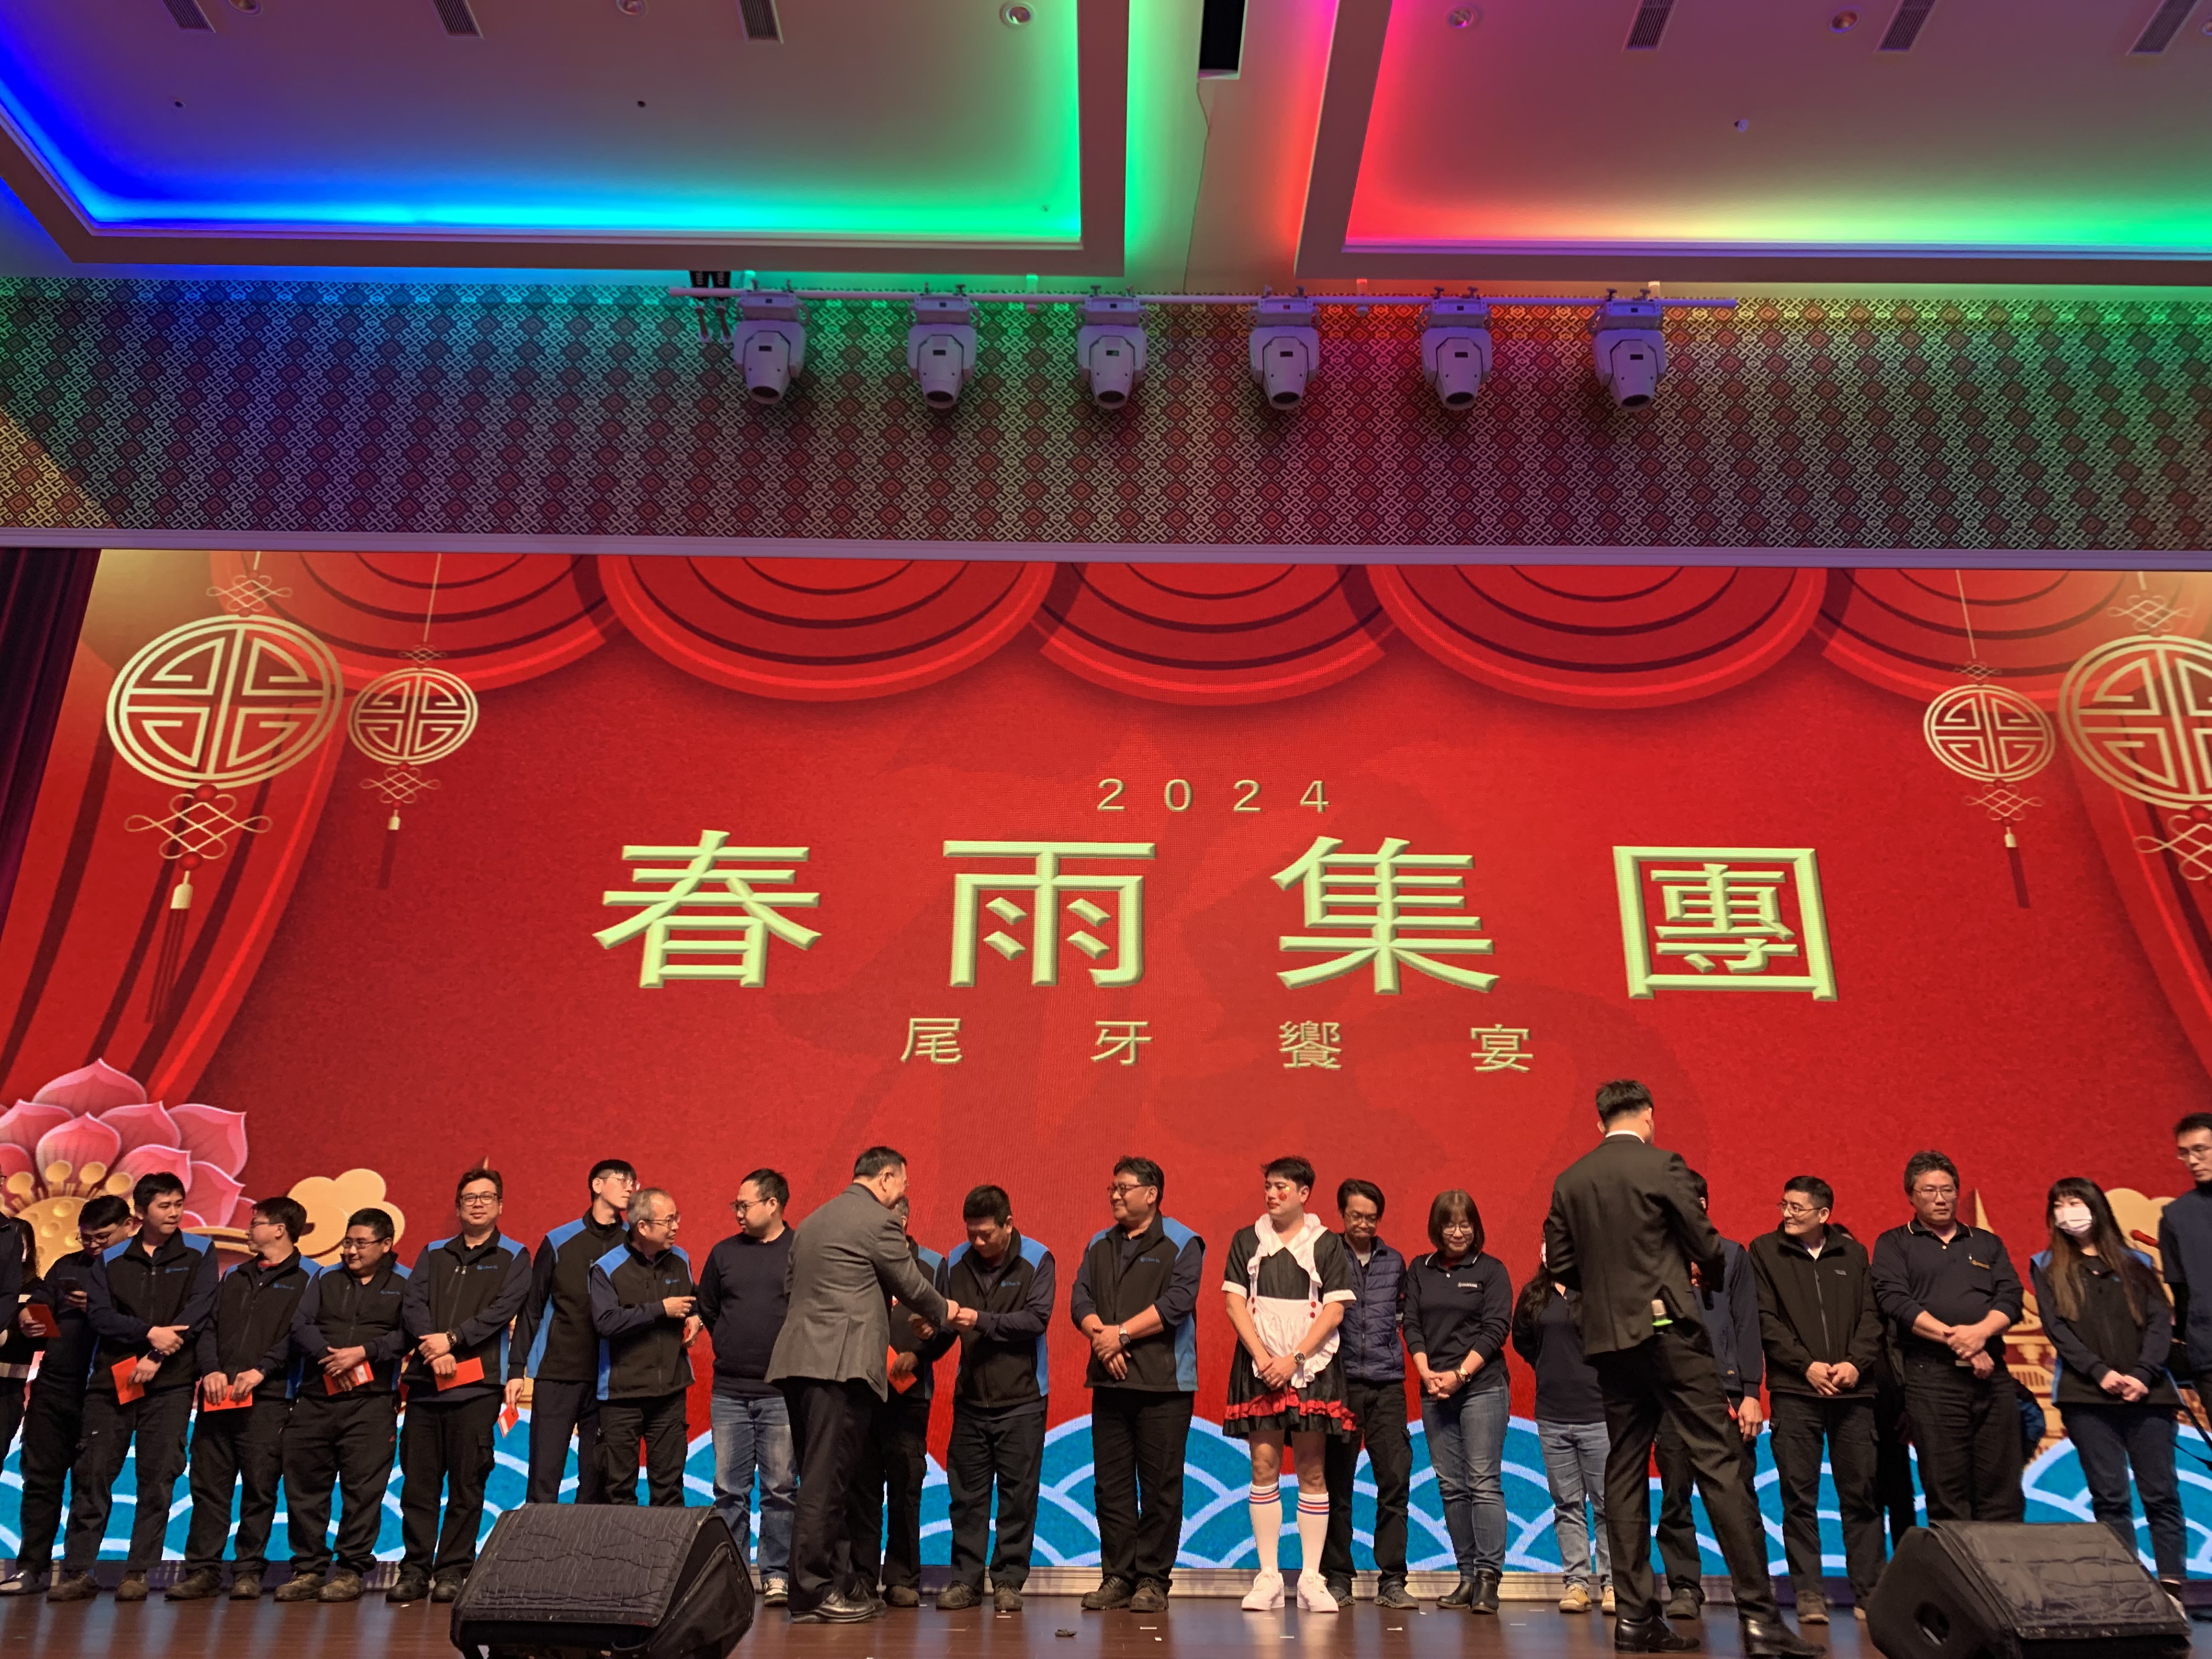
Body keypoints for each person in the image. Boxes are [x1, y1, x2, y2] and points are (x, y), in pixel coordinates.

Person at [1543, 1080, 1820, 1658]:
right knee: (1719, 1462)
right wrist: (1704, 1277)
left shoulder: (1570, 1180)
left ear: (1599, 1122)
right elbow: (1707, 1244)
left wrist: (1603, 1298)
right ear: (1649, 1114)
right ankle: (1760, 1620)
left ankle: (1634, 1620)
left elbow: (1562, 1263)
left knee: (1624, 1467)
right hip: (1667, 1330)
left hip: (1608, 1341)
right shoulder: (1663, 1164)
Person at [766, 1146, 953, 1624]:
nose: (903, 1194)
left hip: (798, 1361)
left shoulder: (812, 1221)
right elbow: (911, 1285)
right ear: (886, 1178)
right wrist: (948, 1312)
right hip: (841, 1367)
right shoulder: (879, 1221)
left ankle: (838, 1581)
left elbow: (790, 1289)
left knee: (823, 1478)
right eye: (904, 1184)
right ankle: (813, 1592)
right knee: (828, 1482)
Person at [49, 1170, 221, 1605]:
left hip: (171, 1383)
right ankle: (78, 1570)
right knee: (92, 1473)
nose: (174, 1213)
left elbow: (199, 1310)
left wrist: (158, 1354)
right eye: (164, 1206)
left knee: (158, 1477)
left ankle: (138, 1571)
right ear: (140, 1213)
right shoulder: (111, 1258)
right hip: (113, 1379)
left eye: (179, 1204)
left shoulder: (200, 1251)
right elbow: (100, 1315)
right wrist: (148, 1333)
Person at [2032, 1177, 2186, 1601]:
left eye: (2075, 1202)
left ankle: (2172, 1588)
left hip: (2149, 1394)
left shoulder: (2137, 1261)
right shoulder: (2045, 1266)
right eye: (2059, 1205)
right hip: (2087, 1397)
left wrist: (2143, 1373)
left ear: (2096, 1207)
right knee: (2110, 1496)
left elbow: (2159, 1321)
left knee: (2161, 1493)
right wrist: (2099, 1373)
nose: (2068, 1212)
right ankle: (2127, 1590)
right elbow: (2057, 1329)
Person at [1222, 1155, 1355, 1616]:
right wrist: (1264, 1359)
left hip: (1313, 1366)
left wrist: (1294, 1359)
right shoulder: (1247, 1240)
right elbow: (1234, 1303)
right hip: (1260, 1366)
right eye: (1268, 1187)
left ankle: (1312, 1578)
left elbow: (1335, 1310)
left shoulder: (1326, 1243)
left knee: (1313, 1471)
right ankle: (1269, 1576)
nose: (1272, 1195)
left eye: (1282, 1187)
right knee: (1264, 1467)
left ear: (1304, 1194)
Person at [1750, 1176, 1886, 1627]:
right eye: (1784, 1205)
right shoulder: (1764, 1252)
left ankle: (1869, 1590)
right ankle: (1808, 1592)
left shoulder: (1854, 1253)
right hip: (1796, 1391)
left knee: (1861, 1494)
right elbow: (1764, 1318)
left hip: (1853, 1391)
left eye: (1797, 1208)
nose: (1787, 1214)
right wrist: (1805, 1365)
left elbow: (1872, 1317)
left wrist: (1855, 1364)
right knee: (1798, 1496)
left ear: (1824, 1214)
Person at [168, 1195, 318, 1602]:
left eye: (255, 1224)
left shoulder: (311, 1277)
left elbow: (300, 1334)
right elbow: (210, 1327)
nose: (249, 1230)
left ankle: (248, 1569)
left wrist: (263, 1370)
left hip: (268, 1399)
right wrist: (211, 1369)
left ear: (280, 1229)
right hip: (219, 1396)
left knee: (259, 1487)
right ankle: (202, 1569)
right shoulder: (235, 1275)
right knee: (208, 1487)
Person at [1071, 1154, 1203, 1615]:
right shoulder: (1099, 1243)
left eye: (1124, 1188)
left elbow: (1177, 1303)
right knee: (1111, 1487)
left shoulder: (1183, 1242)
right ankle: (1117, 1576)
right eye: (1112, 1187)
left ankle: (1152, 1579)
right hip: (1109, 1381)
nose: (1115, 1195)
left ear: (1152, 1193)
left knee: (1160, 1486)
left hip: (1164, 1384)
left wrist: (1121, 1335)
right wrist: (1103, 1339)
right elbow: (1080, 1299)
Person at [393, 1166, 532, 1603]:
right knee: (419, 1484)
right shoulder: (433, 1253)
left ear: (500, 1206)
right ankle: (414, 1570)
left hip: (477, 1387)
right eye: (470, 1198)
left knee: (467, 1484)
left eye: (486, 1197)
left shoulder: (515, 1255)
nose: (478, 1204)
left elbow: (503, 1309)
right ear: (457, 1207)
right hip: (426, 1385)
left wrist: (453, 1340)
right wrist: (433, 1346)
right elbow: (413, 1304)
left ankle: (453, 1570)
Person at [1871, 1150, 2025, 1523]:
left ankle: (2002, 1563)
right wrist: (1961, 1343)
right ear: (1911, 1196)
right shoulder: (1895, 1243)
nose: (1940, 1198)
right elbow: (1896, 1302)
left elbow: (2011, 1298)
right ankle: (1956, 1564)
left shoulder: (1986, 1243)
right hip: (1932, 1379)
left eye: (1948, 1190)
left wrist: (1980, 1334)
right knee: (1946, 1492)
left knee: (2003, 1491)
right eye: (1929, 1191)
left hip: (1992, 1377)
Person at [274, 1207, 411, 1605]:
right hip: (316, 1397)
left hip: (372, 1401)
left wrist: (364, 1353)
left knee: (363, 1490)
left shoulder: (406, 1282)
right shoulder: (324, 1278)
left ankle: (351, 1570)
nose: (351, 1251)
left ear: (386, 1245)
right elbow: (300, 1325)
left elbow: (409, 1334)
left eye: (361, 1244)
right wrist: (328, 1356)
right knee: (305, 1487)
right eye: (348, 1242)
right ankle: (308, 1568)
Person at [0, 1194, 129, 1598]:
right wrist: (30, 1318)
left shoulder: (139, 1272)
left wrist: (100, 1307)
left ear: (130, 1227)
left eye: (102, 1238)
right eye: (86, 1238)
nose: (93, 1246)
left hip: (110, 1389)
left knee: (92, 1483)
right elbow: (40, 1302)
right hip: (55, 1385)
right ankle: (30, 1567)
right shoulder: (68, 1265)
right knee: (40, 1479)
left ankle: (79, 1570)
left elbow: (150, 1327)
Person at [934, 1183, 1056, 1613]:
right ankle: (965, 1581)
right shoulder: (955, 1261)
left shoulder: (1038, 1259)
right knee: (966, 1497)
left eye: (986, 1234)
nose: (978, 1242)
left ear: (1008, 1224)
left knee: (1017, 1496)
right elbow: (948, 1326)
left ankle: (1008, 1579)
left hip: (1023, 1399)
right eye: (971, 1233)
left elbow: (1036, 1319)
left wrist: (980, 1320)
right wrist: (930, 1332)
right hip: (971, 1399)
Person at [1655, 1171, 1764, 1624]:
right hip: (1671, 1394)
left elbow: (1747, 1325)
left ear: (1705, 1204)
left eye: (1695, 1200)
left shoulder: (1732, 1255)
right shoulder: (1654, 1258)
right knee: (1675, 1497)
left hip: (1729, 1395)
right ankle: (1684, 1586)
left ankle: (1753, 1591)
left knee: (1740, 1497)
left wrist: (1751, 1392)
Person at [1404, 1188, 1514, 1615]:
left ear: (1476, 1227)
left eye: (1465, 1223)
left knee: (1483, 1482)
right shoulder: (1420, 1269)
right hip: (1435, 1390)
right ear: (1437, 1228)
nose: (1458, 1232)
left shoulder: (1491, 1270)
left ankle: (1488, 1579)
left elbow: (1495, 1329)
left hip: (1481, 1387)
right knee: (1452, 1487)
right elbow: (1411, 1324)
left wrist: (1461, 1375)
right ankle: (1467, 1576)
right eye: (1449, 1224)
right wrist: (1426, 1372)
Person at [510, 1157, 637, 1505]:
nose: (630, 1187)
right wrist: (516, 1369)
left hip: (611, 1378)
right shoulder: (559, 1241)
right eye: (622, 1180)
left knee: (597, 1481)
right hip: (559, 1373)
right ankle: (537, 1541)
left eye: (634, 1182)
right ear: (597, 1185)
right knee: (544, 1476)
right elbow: (532, 1308)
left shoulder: (634, 1242)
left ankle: (588, 1543)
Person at [697, 1168, 798, 1604]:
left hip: (781, 1393)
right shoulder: (723, 1253)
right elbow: (709, 1309)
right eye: (735, 1205)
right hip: (729, 1392)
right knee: (729, 1491)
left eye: (745, 1205)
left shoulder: (800, 1251)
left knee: (781, 1489)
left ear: (773, 1204)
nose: (738, 1212)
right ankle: (733, 1575)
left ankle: (776, 1573)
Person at [1320, 1178, 1414, 1612]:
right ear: (1342, 1214)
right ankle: (1337, 1577)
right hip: (1339, 1384)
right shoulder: (1325, 1253)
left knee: (1394, 1480)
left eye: (1372, 1218)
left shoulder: (1395, 1262)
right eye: (1356, 1216)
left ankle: (1392, 1579)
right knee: (1336, 1484)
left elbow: (1404, 1315)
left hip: (1387, 1385)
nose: (1364, 1224)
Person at [851, 1194, 947, 1607]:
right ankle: (860, 1575)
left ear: (904, 1221)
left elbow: (947, 1325)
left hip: (910, 1394)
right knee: (862, 1487)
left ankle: (902, 1577)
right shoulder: (856, 1261)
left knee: (906, 1486)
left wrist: (920, 1354)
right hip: (861, 1390)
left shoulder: (933, 1265)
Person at [1512, 1246, 1612, 1616]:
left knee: (1607, 1504)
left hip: (1597, 1413)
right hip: (1553, 1415)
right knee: (1567, 1504)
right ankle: (1577, 1583)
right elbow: (1522, 1340)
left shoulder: (1597, 1290)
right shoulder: (1534, 1294)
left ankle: (1614, 1583)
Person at [590, 1187, 700, 1506]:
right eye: (668, 1221)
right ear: (642, 1227)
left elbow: (695, 1301)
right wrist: (659, 1310)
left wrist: (697, 1319)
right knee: (619, 1491)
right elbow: (606, 1322)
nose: (676, 1227)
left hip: (670, 1393)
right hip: (622, 1396)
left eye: (677, 1218)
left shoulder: (681, 1259)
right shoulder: (606, 1268)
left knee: (669, 1489)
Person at [2158, 1113, 2212, 1389]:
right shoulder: (2176, 1216)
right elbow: (2181, 1292)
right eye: (2184, 1153)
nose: (2192, 1161)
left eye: (2200, 1150)